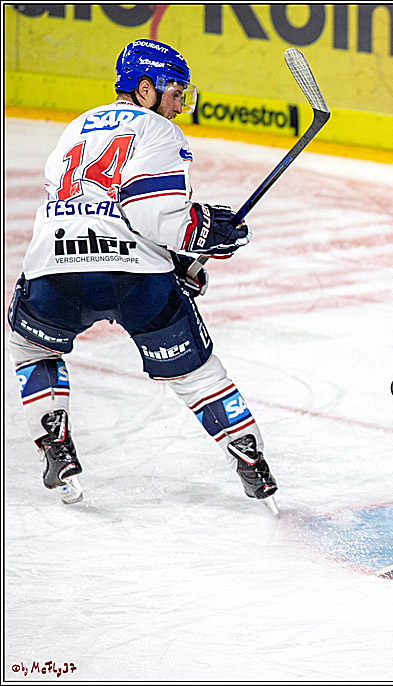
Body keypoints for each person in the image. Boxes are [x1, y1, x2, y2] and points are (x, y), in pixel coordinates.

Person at [7, 39, 277, 508]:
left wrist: (176, 258)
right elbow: (158, 218)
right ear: (145, 87)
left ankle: (54, 442)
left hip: (55, 268)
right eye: (174, 92)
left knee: (31, 347)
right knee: (194, 374)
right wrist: (209, 232)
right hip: (134, 279)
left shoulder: (75, 128)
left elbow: (80, 207)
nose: (179, 104)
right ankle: (249, 458)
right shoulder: (160, 133)